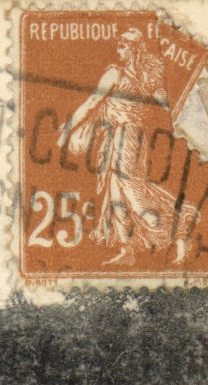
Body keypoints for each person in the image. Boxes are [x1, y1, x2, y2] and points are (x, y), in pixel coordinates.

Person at [57, 27, 200, 265]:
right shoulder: (136, 75)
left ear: (134, 49)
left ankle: (178, 233)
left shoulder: (127, 75)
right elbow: (166, 105)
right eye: (119, 46)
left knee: (134, 194)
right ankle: (127, 249)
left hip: (129, 137)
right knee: (116, 194)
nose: (119, 51)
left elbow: (93, 102)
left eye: (124, 47)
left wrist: (67, 130)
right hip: (116, 137)